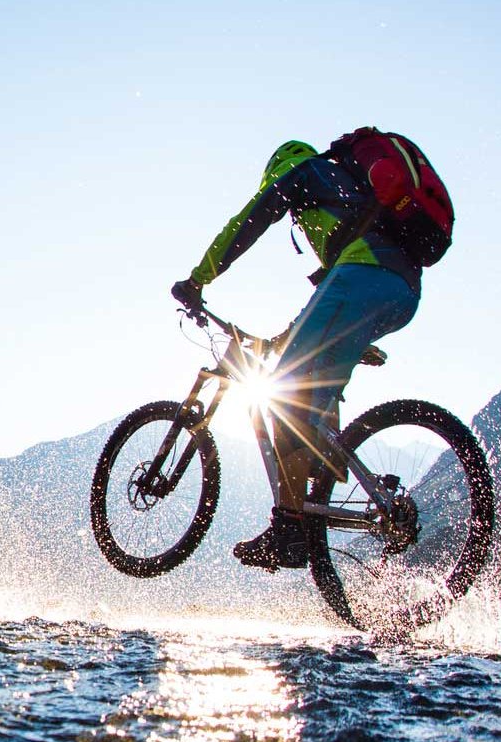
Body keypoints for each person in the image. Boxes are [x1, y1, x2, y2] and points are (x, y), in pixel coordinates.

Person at [172, 139, 425, 571]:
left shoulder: (305, 175)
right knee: (311, 381)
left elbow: (247, 222)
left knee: (286, 397)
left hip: (365, 280)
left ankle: (288, 529)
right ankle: (320, 476)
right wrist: (278, 341)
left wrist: (198, 280)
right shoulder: (349, 208)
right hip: (400, 290)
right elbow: (324, 306)